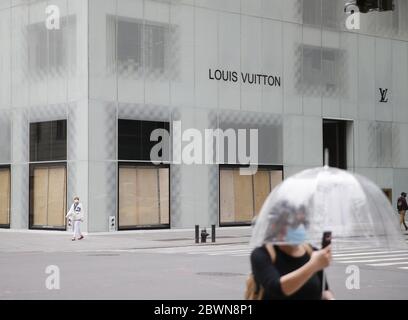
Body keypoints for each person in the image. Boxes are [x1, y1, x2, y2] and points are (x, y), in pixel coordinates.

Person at [250, 203, 335, 300]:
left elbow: (324, 290)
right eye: (295, 223)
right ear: (278, 226)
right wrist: (313, 265)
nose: (301, 227)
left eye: (304, 223)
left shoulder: (311, 252)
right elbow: (277, 288)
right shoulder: (262, 254)